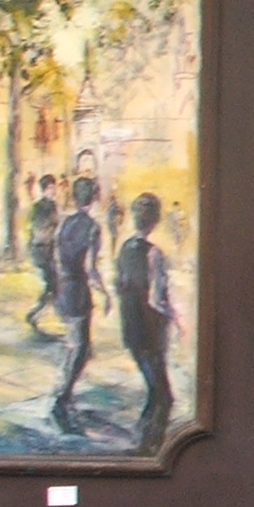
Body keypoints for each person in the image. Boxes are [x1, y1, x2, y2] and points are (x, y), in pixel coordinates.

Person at [115, 192, 179, 452]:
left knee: (155, 389)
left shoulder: (124, 248)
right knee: (165, 396)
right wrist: (175, 318)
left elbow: (120, 284)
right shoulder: (154, 254)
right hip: (150, 331)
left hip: (131, 329)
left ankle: (143, 436)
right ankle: (148, 447)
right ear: (155, 221)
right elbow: (157, 299)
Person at [48, 176, 106, 433]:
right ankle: (62, 397)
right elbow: (91, 268)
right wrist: (105, 292)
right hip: (79, 289)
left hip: (63, 285)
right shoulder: (92, 227)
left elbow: (56, 257)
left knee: (75, 343)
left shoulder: (64, 223)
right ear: (93, 198)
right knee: (82, 347)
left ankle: (64, 392)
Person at [23, 174, 61, 333]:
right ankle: (36, 313)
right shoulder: (38, 207)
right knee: (53, 284)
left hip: (49, 250)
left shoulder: (53, 205)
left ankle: (39, 313)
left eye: (54, 187)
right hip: (40, 250)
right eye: (51, 188)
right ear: (44, 189)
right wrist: (52, 231)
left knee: (54, 284)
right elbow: (39, 230)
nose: (54, 190)